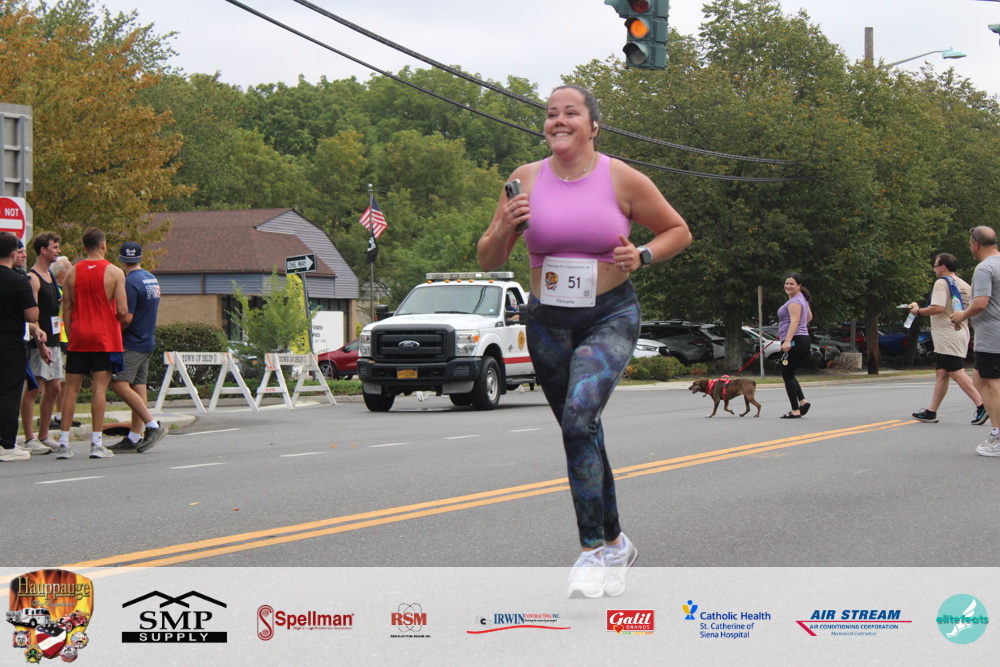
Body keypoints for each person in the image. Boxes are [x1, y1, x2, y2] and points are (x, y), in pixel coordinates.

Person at [477, 85, 692, 598]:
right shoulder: (523, 180)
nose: (558, 120)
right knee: (581, 430)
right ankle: (616, 542)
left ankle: (592, 550)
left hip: (608, 316)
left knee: (578, 418)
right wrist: (503, 227)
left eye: (570, 112)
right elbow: (488, 258)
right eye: (551, 113)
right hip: (547, 322)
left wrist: (642, 255)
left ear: (593, 126)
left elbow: (678, 231)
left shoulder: (620, 177)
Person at [56, 228, 166, 459]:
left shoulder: (71, 272)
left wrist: (73, 332)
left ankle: (64, 443)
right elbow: (123, 311)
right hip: (104, 338)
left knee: (71, 390)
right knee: (100, 389)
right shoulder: (115, 272)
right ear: (104, 245)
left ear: (84, 247)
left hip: (79, 336)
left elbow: (66, 309)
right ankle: (96, 443)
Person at [909, 253, 985, 425]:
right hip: (960, 330)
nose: (934, 270)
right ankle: (931, 411)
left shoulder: (942, 283)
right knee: (942, 373)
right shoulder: (964, 284)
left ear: (943, 267)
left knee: (956, 371)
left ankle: (982, 405)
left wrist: (918, 311)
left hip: (947, 334)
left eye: (935, 266)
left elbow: (938, 308)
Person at [108, 242, 162, 452]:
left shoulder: (129, 282)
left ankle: (153, 425)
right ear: (141, 257)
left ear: (121, 259)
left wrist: (113, 333)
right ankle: (134, 436)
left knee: (119, 384)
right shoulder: (150, 278)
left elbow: (126, 317)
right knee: (139, 387)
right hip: (147, 340)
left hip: (132, 342)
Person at [951, 226, 1000, 456]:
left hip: (992, 335)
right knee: (980, 379)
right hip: (992, 334)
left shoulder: (985, 268)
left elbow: (980, 303)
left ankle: (998, 436)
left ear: (976, 244)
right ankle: (995, 431)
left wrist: (962, 315)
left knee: (992, 384)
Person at [17, 232, 65, 455]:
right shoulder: (33, 278)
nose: (58, 251)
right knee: (34, 388)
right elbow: (31, 315)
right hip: (39, 342)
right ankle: (29, 438)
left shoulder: (51, 276)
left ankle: (44, 434)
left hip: (54, 339)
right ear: (43, 250)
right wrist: (41, 343)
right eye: (55, 247)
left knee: (54, 388)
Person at [0, 233, 40, 462]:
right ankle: (6, 444)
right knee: (9, 393)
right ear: (14, 252)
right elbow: (32, 315)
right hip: (10, 343)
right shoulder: (18, 281)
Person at [777, 272, 812, 419]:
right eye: (786, 283)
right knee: (790, 373)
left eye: (792, 284)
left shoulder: (794, 302)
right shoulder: (802, 299)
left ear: (799, 285)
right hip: (802, 340)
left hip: (795, 342)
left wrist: (787, 340)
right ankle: (803, 402)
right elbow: (809, 317)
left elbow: (795, 322)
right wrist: (786, 331)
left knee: (787, 375)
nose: (788, 286)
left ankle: (795, 410)